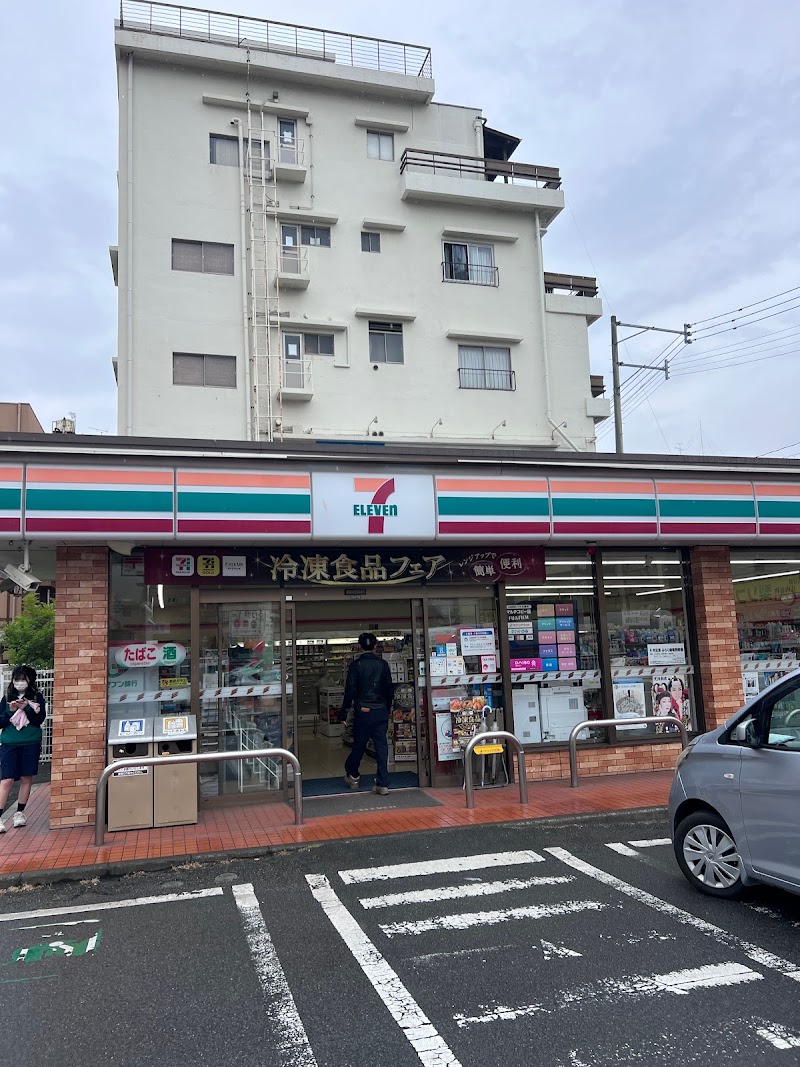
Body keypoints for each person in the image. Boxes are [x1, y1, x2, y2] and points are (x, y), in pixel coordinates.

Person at [339, 633, 394, 795]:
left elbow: (350, 690)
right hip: (380, 711)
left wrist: (344, 712)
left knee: (359, 744)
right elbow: (389, 690)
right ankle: (383, 783)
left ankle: (353, 774)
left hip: (363, 711)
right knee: (381, 746)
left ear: (359, 645)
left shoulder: (356, 665)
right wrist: (388, 707)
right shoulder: (383, 664)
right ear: (375, 645)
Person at [0, 665, 47, 833]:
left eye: (23, 679)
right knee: (7, 779)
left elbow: (39, 719)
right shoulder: (6, 698)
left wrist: (26, 707)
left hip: (30, 741)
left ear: (30, 680)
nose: (19, 683)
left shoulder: (37, 697)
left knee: (26, 777)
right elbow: (1, 722)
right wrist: (10, 712)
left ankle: (19, 812)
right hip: (9, 743)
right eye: (17, 679)